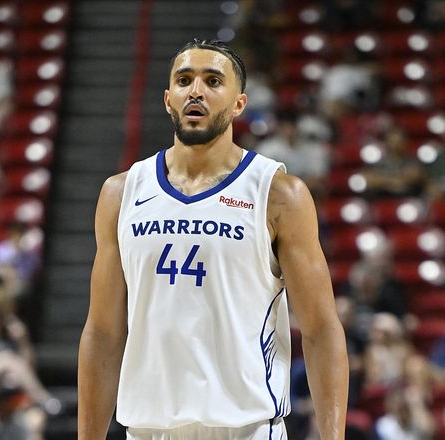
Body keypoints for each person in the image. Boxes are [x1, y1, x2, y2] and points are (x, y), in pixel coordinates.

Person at [78, 39, 348, 439]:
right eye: (184, 80)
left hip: (246, 429)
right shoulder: (122, 193)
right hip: (148, 429)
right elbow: (103, 333)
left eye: (213, 81)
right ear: (168, 99)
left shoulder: (277, 194)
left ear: (239, 104)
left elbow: (321, 328)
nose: (196, 91)